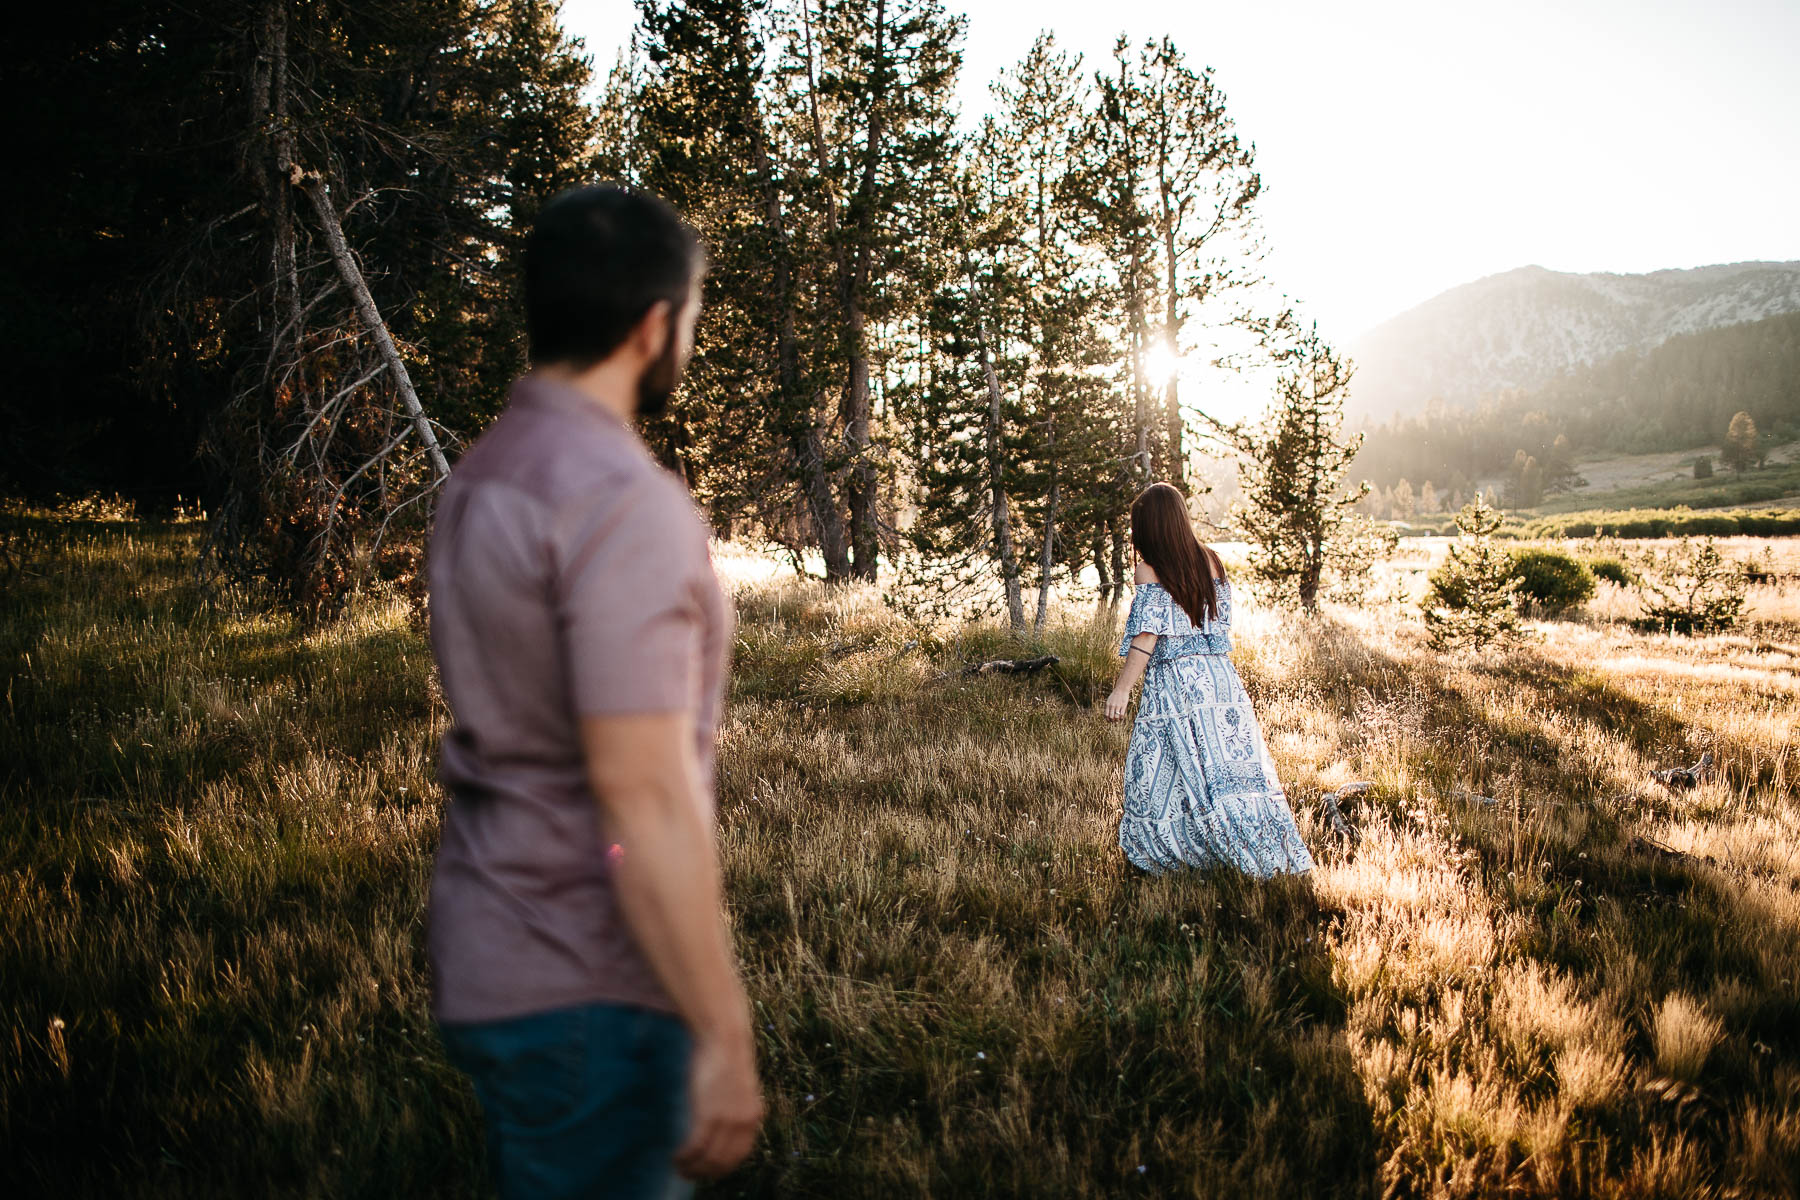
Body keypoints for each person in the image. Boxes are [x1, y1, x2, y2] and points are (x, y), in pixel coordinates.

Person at [425, 185, 763, 1199]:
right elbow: (643, 794)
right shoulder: (622, 502)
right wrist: (724, 1029)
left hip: (492, 947)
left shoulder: (483, 477)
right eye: (691, 321)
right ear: (655, 325)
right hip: (594, 979)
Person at [1103, 482, 1315, 877]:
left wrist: (1121, 690)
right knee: (1227, 770)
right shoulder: (1213, 561)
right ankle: (1249, 849)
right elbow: (1217, 625)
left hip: (1176, 683)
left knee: (1157, 770)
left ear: (1150, 527)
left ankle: (1179, 853)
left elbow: (1147, 635)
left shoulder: (1149, 569)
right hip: (1220, 681)